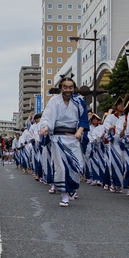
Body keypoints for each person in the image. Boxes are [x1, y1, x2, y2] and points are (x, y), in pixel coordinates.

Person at [40, 76, 89, 207]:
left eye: (70, 87)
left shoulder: (79, 101)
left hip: (74, 137)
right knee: (61, 167)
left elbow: (84, 119)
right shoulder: (54, 101)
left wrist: (80, 130)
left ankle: (72, 189)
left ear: (74, 88)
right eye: (65, 87)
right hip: (58, 138)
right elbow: (47, 117)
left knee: (77, 166)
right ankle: (64, 195)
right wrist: (45, 127)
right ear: (61, 88)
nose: (68, 90)